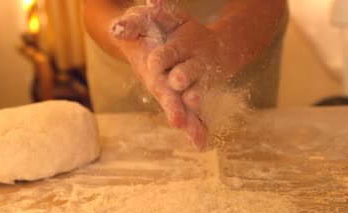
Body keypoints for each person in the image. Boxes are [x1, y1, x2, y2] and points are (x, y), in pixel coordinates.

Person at [84, 0, 288, 149]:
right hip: (121, 60)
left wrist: (221, 45)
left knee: (246, 161)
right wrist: (129, 42)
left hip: (241, 32)